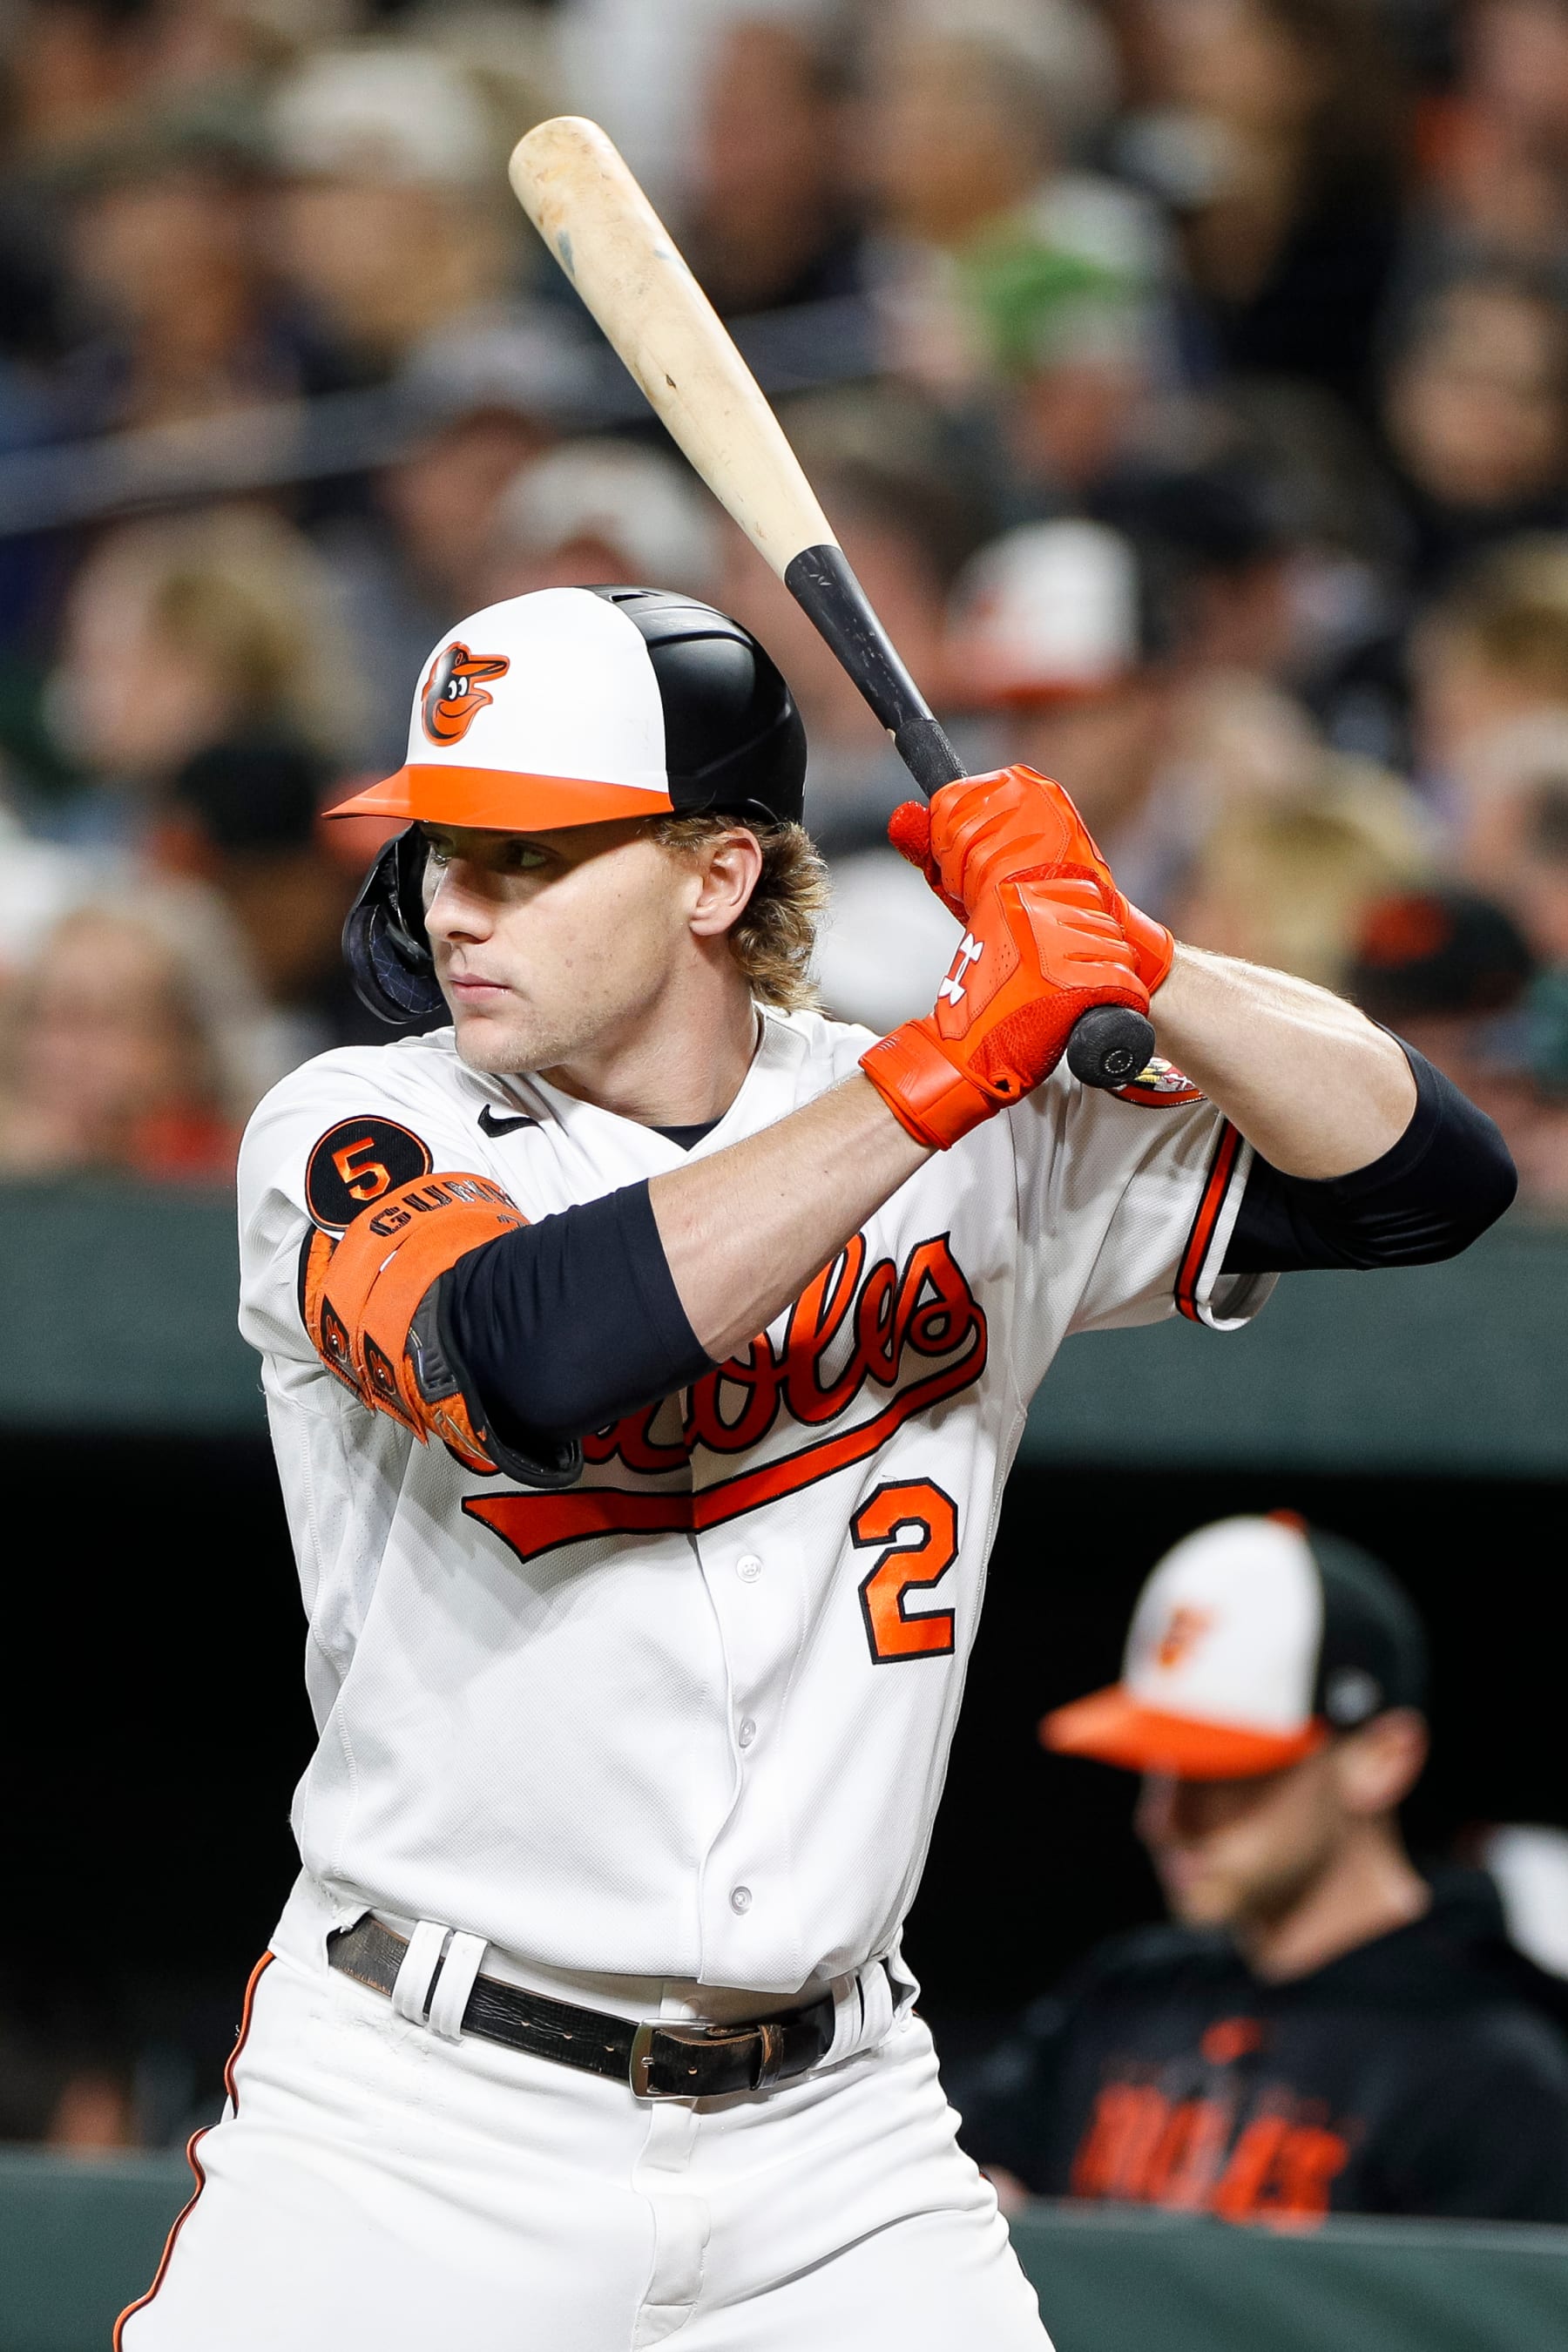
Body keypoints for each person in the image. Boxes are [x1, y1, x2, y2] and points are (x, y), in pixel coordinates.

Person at [118, 581, 1512, 2348]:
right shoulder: (356, 1121)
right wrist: (942, 1075)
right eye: (442, 851)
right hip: (422, 2118)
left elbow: (1427, 1184)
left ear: (717, 876)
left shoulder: (948, 1121)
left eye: (528, 858)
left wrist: (1145, 957)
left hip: (833, 2138)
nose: (453, 903)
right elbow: (529, 1356)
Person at [961, 1514, 1568, 2227]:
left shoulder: (1493, 2067)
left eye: (1221, 1773)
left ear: (1380, 1759)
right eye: (1158, 1769)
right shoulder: (1123, 1993)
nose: (1162, 1820)